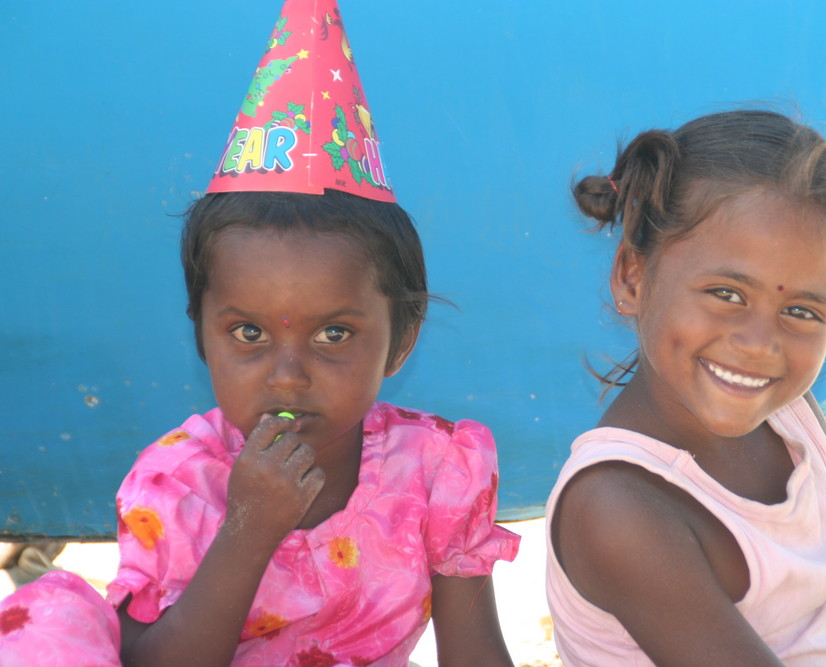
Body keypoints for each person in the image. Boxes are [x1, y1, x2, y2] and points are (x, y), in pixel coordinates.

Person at [0, 1, 519, 665]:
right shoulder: (176, 487)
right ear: (201, 335)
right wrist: (248, 527)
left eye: (334, 333)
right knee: (45, 617)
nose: (286, 373)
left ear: (403, 336)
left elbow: (475, 654)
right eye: (248, 332)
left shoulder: (436, 471)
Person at [545, 109, 826, 666]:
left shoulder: (793, 421)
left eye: (800, 310)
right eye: (727, 294)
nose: (760, 343)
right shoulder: (618, 507)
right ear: (632, 278)